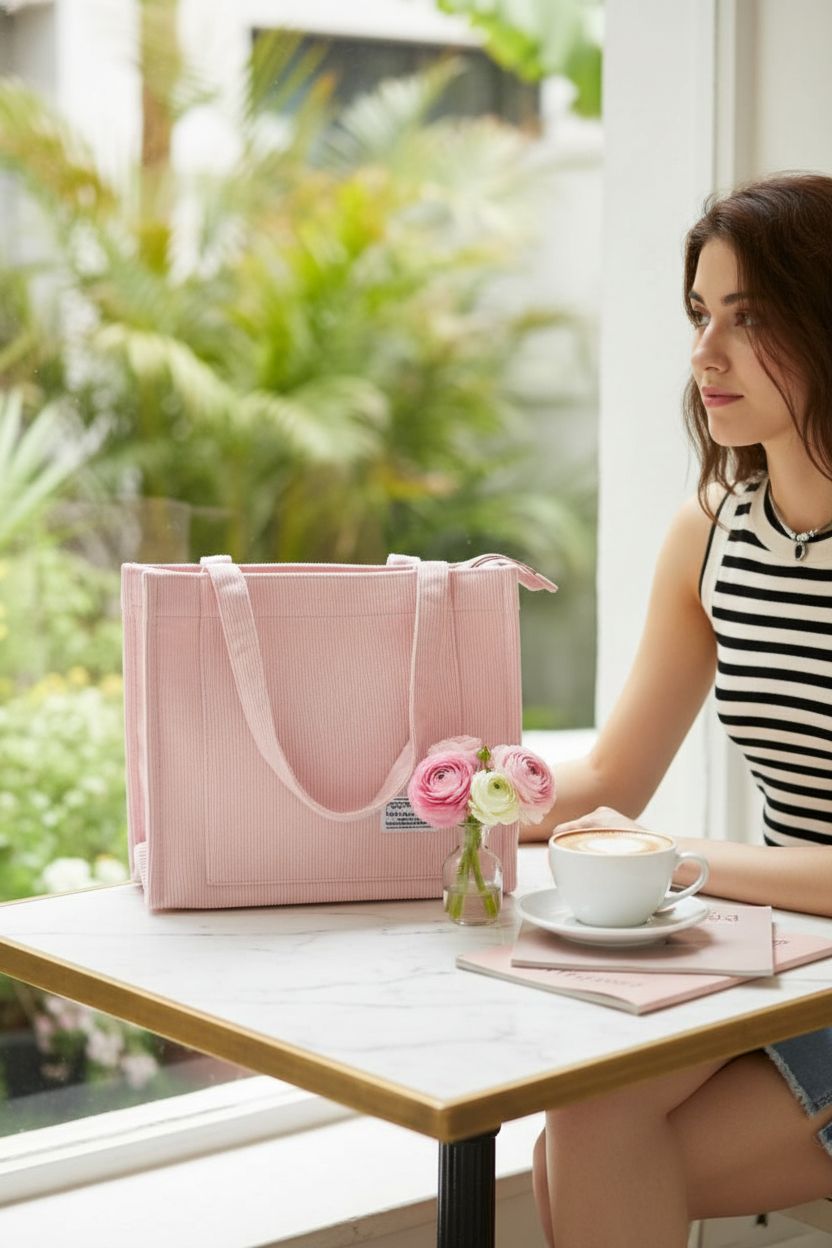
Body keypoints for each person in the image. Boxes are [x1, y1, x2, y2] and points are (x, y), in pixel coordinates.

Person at [527, 172, 832, 1248]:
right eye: (701, 315)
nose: (706, 355)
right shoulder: (712, 533)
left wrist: (666, 857)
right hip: (787, 951)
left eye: (750, 319)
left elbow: (639, 829)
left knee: (594, 1142)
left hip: (795, 948)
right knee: (583, 1109)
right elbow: (608, 785)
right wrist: (468, 787)